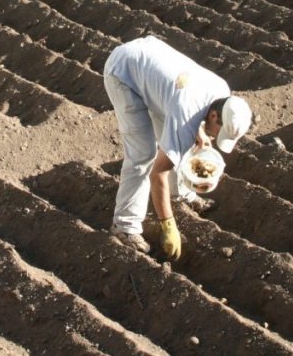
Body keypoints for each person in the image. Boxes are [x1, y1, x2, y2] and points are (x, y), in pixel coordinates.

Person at [103, 36, 252, 260]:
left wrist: (199, 131)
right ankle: (125, 225)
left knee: (180, 140)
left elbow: (193, 111)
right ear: (214, 115)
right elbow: (158, 173)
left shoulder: (222, 91)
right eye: (216, 131)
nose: (213, 136)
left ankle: (181, 193)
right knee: (143, 154)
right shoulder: (186, 110)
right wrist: (168, 224)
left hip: (152, 69)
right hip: (124, 73)